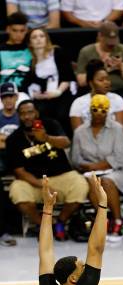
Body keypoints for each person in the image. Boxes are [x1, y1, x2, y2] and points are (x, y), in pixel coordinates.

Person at [6, 100, 89, 240]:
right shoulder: (13, 139)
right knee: (16, 190)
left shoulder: (51, 124)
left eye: (30, 112)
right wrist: (43, 186)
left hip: (61, 176)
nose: (26, 117)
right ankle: (45, 225)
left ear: (36, 113)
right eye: (22, 114)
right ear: (18, 116)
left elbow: (66, 143)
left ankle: (60, 222)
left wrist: (46, 138)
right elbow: (19, 172)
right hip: (34, 182)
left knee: (80, 184)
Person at [71, 94, 123, 242]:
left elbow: (120, 157)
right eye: (95, 109)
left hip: (117, 170)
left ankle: (118, 221)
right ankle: (103, 221)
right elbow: (75, 159)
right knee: (93, 181)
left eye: (103, 110)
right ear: (90, 111)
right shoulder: (80, 131)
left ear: (108, 112)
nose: (99, 113)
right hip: (89, 172)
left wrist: (94, 165)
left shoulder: (117, 129)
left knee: (106, 181)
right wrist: (88, 167)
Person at [27, 28, 75, 135]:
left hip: (62, 93)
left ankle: (65, 140)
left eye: (41, 36)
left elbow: (68, 76)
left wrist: (57, 92)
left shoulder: (57, 52)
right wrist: (37, 95)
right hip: (44, 97)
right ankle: (40, 139)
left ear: (47, 39)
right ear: (30, 43)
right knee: (37, 114)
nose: (38, 39)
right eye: (34, 37)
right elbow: (31, 84)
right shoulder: (32, 62)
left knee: (62, 114)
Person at [76, 22, 123, 100]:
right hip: (95, 93)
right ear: (100, 36)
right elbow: (81, 81)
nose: (111, 45)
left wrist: (121, 66)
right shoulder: (86, 51)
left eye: (114, 41)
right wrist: (100, 67)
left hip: (121, 92)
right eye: (108, 42)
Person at [70, 59, 123, 131]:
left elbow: (120, 131)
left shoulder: (118, 99)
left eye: (107, 79)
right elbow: (78, 134)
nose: (106, 82)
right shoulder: (78, 103)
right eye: (101, 80)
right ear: (91, 83)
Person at [0, 12, 31, 89]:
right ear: (8, 29)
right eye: (15, 30)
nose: (18, 34)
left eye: (22, 31)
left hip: (27, 92)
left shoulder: (31, 49)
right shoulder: (1, 50)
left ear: (26, 30)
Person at [0, 82, 20, 174]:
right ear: (1, 99)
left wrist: (5, 138)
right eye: (5, 97)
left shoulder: (23, 115)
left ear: (16, 97)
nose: (8, 100)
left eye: (11, 96)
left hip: (21, 153)